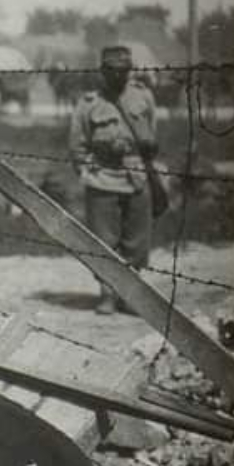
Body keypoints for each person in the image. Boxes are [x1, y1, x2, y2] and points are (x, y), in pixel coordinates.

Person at [70, 45, 159, 314]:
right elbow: (77, 144)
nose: (118, 75)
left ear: (130, 70)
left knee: (137, 240)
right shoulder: (89, 103)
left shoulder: (143, 97)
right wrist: (87, 170)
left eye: (124, 70)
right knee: (103, 240)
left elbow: (152, 137)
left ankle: (130, 294)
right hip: (102, 177)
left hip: (136, 176)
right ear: (102, 71)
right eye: (112, 70)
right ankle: (107, 293)